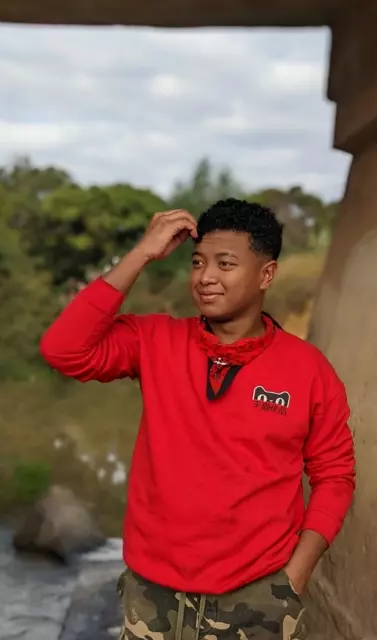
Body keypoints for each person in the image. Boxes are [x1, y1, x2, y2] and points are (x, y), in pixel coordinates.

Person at [40, 198, 355, 640]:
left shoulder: (309, 371)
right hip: (151, 598)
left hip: (257, 599)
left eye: (225, 264)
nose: (205, 277)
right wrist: (141, 253)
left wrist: (293, 579)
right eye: (198, 262)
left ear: (266, 274)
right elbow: (63, 350)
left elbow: (335, 476)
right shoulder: (154, 340)